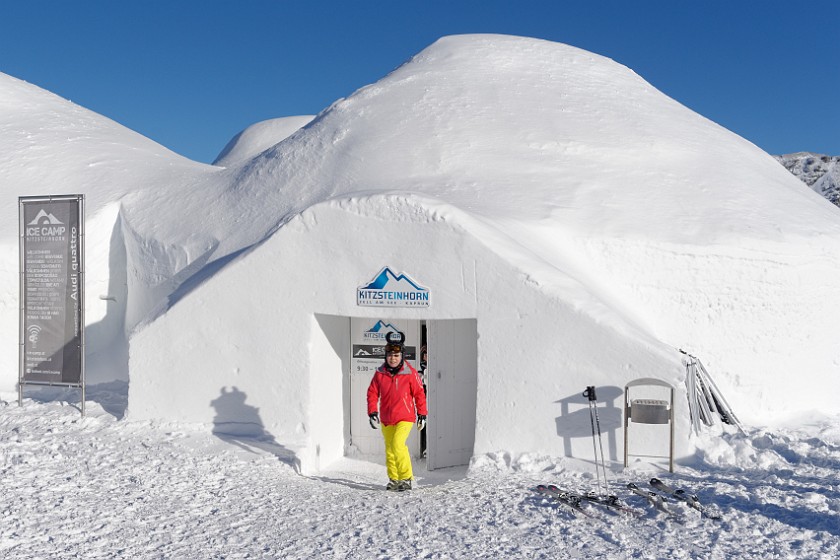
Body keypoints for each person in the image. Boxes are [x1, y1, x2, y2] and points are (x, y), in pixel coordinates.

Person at [367, 331, 427, 491]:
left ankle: (406, 478)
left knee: (397, 444)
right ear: (386, 356)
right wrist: (372, 412)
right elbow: (372, 393)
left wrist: (422, 414)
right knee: (389, 448)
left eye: (396, 355)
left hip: (405, 417)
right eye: (390, 355)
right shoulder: (380, 374)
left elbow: (419, 394)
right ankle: (394, 479)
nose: (393, 358)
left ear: (402, 356)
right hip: (387, 418)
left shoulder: (410, 373)